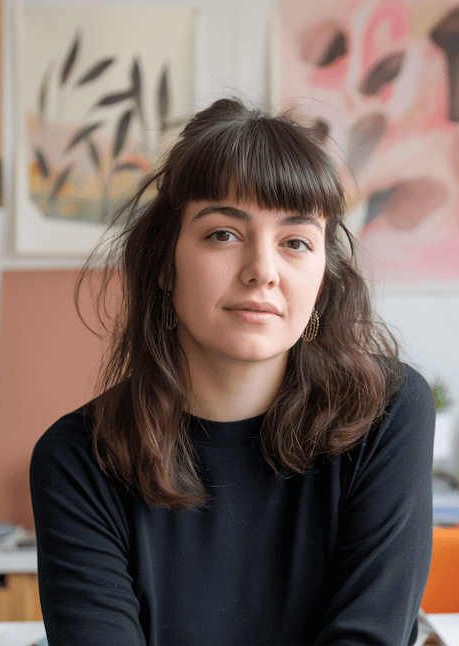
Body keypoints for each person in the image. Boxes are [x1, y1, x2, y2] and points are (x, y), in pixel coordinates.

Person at [29, 97, 435, 645]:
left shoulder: (386, 412)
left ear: (322, 280)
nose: (262, 271)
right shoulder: (78, 459)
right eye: (224, 233)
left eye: (295, 242)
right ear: (166, 267)